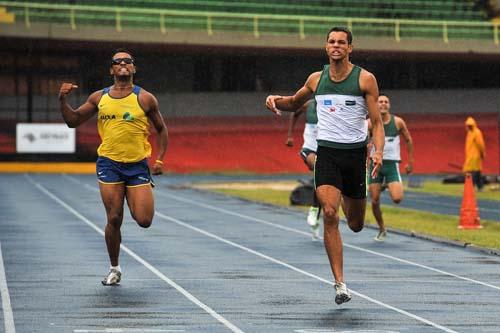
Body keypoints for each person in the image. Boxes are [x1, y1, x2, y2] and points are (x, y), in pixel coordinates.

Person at [265, 27, 384, 305]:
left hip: (355, 157)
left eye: (342, 42)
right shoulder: (316, 79)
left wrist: (377, 151)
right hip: (327, 154)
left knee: (354, 224)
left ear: (350, 48)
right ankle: (340, 284)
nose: (336, 46)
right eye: (332, 41)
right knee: (329, 213)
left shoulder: (365, 79)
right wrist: (274, 100)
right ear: (326, 46)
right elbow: (294, 102)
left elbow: (376, 123)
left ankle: (347, 197)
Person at [58, 49, 168, 286]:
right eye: (117, 62)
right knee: (114, 217)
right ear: (111, 69)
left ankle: (135, 192)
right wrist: (62, 100)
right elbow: (73, 121)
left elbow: (161, 129)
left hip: (137, 165)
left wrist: (159, 159)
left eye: (128, 61)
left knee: (144, 219)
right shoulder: (99, 98)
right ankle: (114, 268)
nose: (123, 64)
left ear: (134, 68)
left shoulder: (145, 98)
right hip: (109, 164)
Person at [367, 93, 414, 241]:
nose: (383, 104)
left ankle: (386, 184)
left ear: (389, 105)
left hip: (391, 164)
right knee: (374, 200)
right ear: (376, 105)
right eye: (380, 102)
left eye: (386, 102)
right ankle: (382, 229)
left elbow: (408, 139)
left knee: (398, 198)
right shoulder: (370, 123)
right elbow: (362, 141)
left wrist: (410, 162)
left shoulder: (398, 122)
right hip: (375, 166)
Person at [286, 100, 322, 239]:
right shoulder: (308, 105)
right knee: (318, 167)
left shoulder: (332, 104)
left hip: (325, 148)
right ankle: (314, 207)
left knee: (323, 184)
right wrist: (290, 135)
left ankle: (316, 212)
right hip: (309, 148)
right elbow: (294, 113)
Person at [463, 116, 486, 190]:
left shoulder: (476, 132)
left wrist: (482, 153)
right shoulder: (470, 133)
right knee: (477, 170)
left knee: (472, 171)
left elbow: (481, 144)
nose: (468, 127)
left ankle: (471, 185)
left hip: (475, 155)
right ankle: (480, 186)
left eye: (469, 126)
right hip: (471, 155)